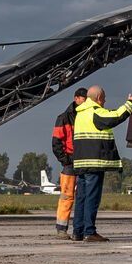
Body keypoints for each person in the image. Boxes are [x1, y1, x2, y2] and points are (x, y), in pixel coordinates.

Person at [69, 84, 132, 242]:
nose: (105, 102)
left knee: (81, 198)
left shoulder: (81, 113)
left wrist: (129, 111)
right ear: (99, 98)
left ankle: (77, 231)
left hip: (81, 163)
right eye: (104, 99)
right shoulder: (94, 112)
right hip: (94, 163)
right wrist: (131, 103)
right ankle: (90, 232)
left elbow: (108, 114)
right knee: (92, 198)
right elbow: (112, 118)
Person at [50, 87, 86, 237]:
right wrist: (66, 160)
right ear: (76, 98)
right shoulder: (63, 118)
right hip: (71, 162)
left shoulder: (87, 115)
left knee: (84, 196)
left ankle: (81, 229)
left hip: (84, 160)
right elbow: (56, 142)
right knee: (67, 195)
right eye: (84, 99)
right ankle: (61, 228)